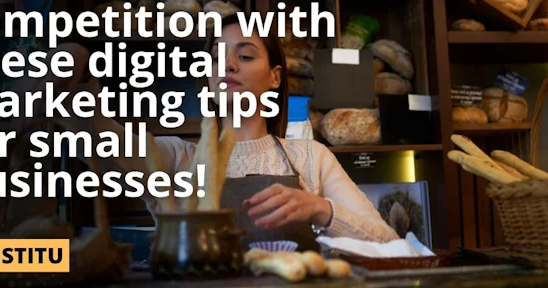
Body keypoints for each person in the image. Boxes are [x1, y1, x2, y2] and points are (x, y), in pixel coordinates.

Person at [22, 13, 399, 248]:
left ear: (274, 78)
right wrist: (73, 68)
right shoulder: (176, 158)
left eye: (246, 55)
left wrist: (321, 209)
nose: (229, 64)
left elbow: (389, 243)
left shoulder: (311, 158)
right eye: (217, 56)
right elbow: (100, 134)